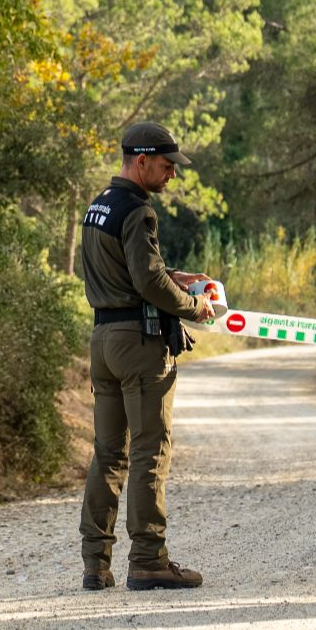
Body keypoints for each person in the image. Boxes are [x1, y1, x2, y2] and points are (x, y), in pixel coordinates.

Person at [77, 121, 216, 592]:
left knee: (108, 453)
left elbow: (126, 269)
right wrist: (196, 305)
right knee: (149, 451)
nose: (172, 174)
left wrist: (171, 272)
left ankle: (95, 563)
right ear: (141, 161)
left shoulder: (98, 206)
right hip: (139, 343)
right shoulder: (138, 211)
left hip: (102, 341)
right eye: (165, 165)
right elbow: (149, 284)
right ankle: (149, 559)